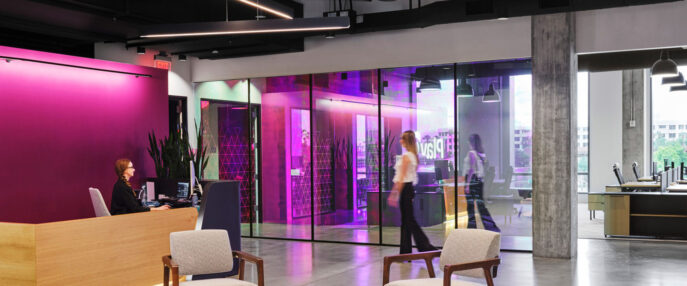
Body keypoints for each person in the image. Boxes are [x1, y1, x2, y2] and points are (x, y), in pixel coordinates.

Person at [388, 131, 437, 254]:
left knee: (408, 220)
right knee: (407, 220)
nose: (400, 141)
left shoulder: (406, 157)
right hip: (410, 189)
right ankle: (407, 250)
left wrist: (394, 194)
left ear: (406, 141)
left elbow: (401, 178)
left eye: (402, 139)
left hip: (405, 189)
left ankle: (423, 245)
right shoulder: (414, 156)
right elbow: (410, 177)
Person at [463, 134, 500, 232]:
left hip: (472, 180)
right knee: (481, 206)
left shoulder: (471, 153)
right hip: (479, 181)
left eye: (469, 141)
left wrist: (467, 185)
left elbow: (471, 169)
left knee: (470, 206)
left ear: (471, 142)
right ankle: (490, 227)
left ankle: (472, 228)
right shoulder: (481, 154)